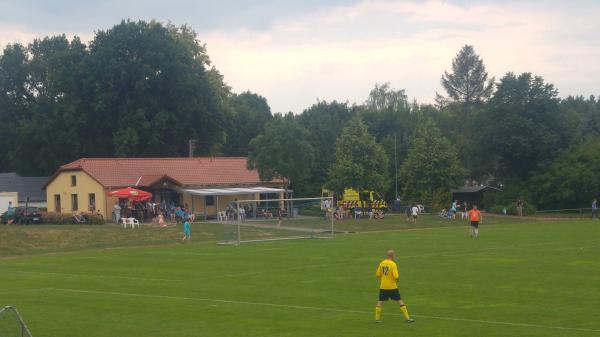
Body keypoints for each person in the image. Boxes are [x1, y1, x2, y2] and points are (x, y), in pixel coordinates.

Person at [374, 250, 414, 323]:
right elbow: (396, 276)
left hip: (383, 286)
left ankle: (377, 319)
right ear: (392, 256)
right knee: (400, 301)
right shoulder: (393, 264)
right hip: (392, 287)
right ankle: (407, 318)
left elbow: (377, 275)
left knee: (380, 302)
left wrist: (383, 279)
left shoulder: (382, 263)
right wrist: (397, 280)